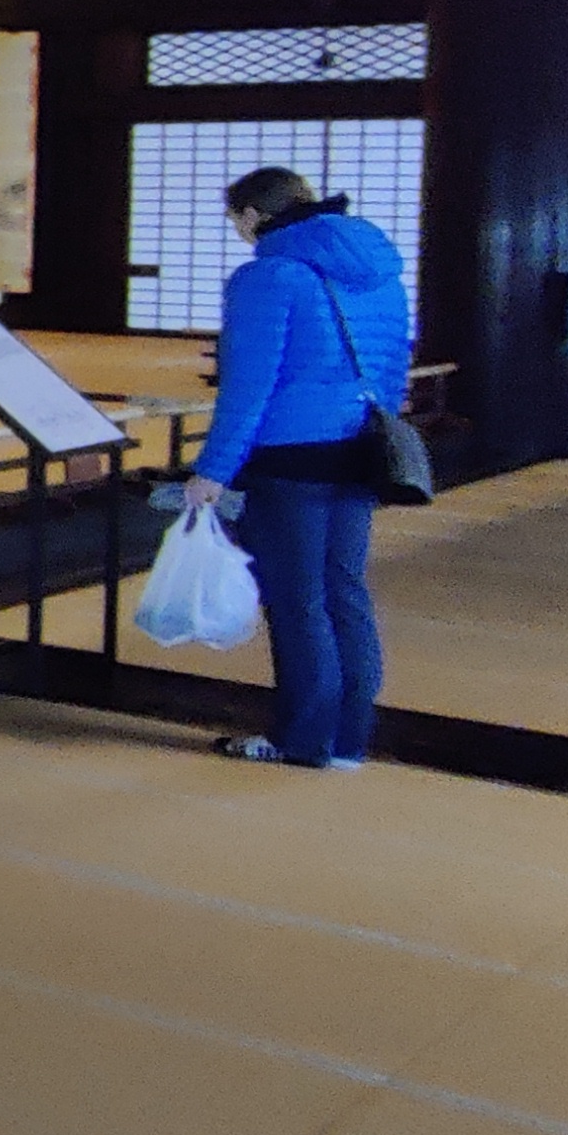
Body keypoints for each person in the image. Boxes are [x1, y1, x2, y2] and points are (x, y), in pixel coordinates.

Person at [174, 164, 412, 768]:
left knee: (297, 600)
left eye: (236, 220)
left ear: (254, 215)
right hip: (361, 448)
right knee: (344, 591)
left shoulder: (267, 276)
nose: (238, 231)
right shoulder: (378, 269)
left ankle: (302, 741)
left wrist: (213, 469)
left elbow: (248, 387)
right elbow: (392, 364)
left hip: (290, 457)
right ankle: (349, 741)